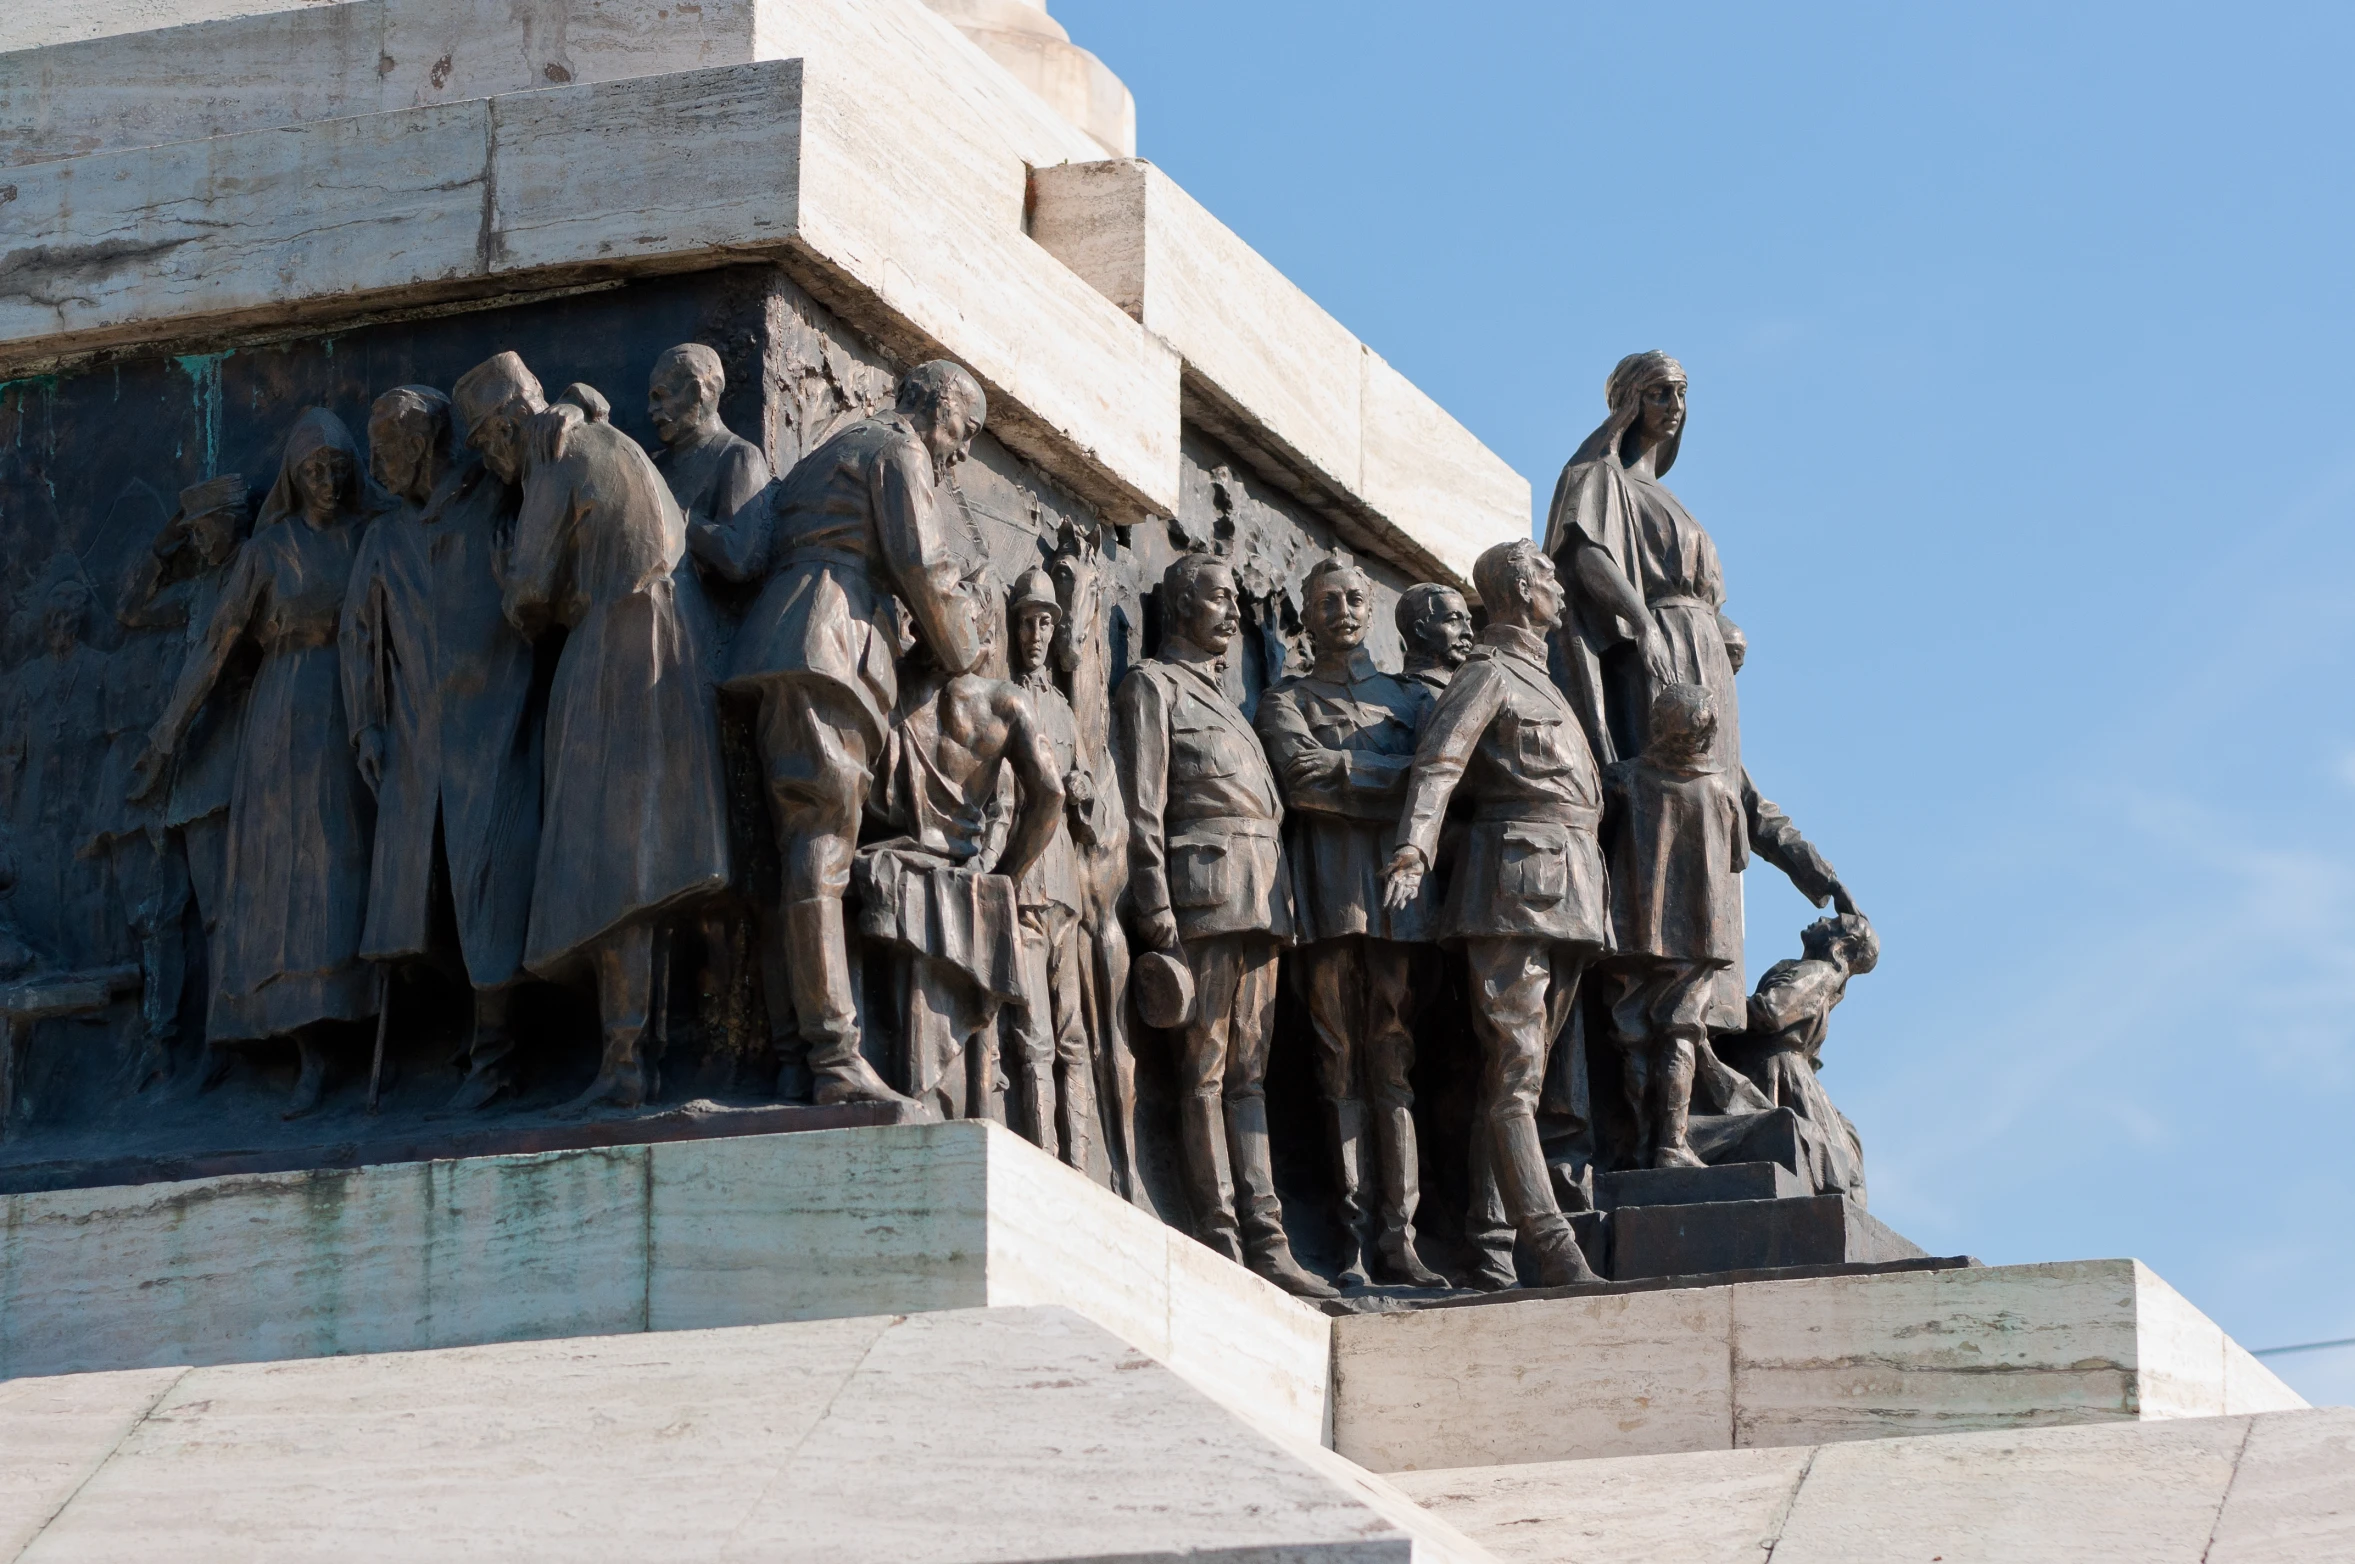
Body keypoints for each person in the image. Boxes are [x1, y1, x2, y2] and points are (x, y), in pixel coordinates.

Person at [693, 361, 989, 1108]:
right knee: (821, 850)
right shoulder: (899, 450)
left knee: (797, 851)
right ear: (939, 404)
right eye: (966, 430)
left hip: (782, 641)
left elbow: (749, 551)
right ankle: (834, 1059)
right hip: (828, 647)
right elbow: (923, 563)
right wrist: (963, 650)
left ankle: (797, 1056)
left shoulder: (832, 446)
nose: (962, 451)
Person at [456, 351, 730, 1113]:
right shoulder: (611, 439)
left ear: (510, 422)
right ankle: (641, 1053)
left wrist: (507, 577)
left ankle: (623, 1061)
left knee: (612, 865)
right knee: (642, 861)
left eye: (484, 443)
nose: (487, 460)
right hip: (674, 648)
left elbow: (530, 594)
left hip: (615, 657)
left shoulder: (552, 456)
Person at [132, 410, 383, 1116]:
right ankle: (308, 1050)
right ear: (292, 480)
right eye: (312, 470)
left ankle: (373, 1032)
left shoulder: (371, 534)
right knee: (291, 884)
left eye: (336, 467)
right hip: (285, 717)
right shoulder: (266, 552)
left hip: (359, 709)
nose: (326, 480)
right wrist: (163, 741)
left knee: (353, 871)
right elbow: (213, 653)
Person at [1385, 539, 1607, 1289]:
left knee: (1522, 1080)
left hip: (1568, 891)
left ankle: (1491, 1245)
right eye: (1546, 574)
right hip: (1511, 887)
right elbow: (1440, 763)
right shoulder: (1487, 674)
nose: (1559, 586)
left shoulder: (1545, 681)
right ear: (1517, 589)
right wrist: (1413, 850)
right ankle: (1553, 1249)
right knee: (1514, 1073)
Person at [1117, 552, 1332, 1299]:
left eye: (1235, 601)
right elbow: (1142, 809)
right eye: (1217, 599)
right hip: (1200, 899)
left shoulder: (1233, 707)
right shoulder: (1153, 686)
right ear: (1181, 606)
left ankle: (1268, 1237)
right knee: (1204, 1074)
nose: (1233, 613)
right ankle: (1219, 1231)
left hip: (1257, 905)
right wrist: (1156, 912)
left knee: (1247, 1078)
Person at [342, 385, 543, 1110]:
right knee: (423, 898)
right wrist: (367, 721)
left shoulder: (492, 498)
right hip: (415, 741)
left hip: (496, 722)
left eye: (388, 447)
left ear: (425, 443)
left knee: (491, 882)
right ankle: (458, 1037)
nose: (376, 463)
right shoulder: (384, 537)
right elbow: (360, 634)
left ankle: (498, 1055)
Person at [1255, 553, 1446, 1288]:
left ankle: (1399, 1238)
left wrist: (1351, 773)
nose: (1341, 608)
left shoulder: (1411, 700)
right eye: (1326, 599)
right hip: (1330, 902)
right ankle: (1352, 1242)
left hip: (1401, 909)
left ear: (1370, 610)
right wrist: (1400, 781)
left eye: (1353, 598)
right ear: (1307, 615)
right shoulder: (1286, 701)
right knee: (1339, 1065)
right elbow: (1303, 783)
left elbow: (1443, 783)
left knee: (1392, 1064)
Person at [853, 575, 1064, 1120]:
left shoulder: (889, 686)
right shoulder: (1006, 702)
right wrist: (1006, 878)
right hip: (969, 882)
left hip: (897, 868)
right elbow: (1051, 795)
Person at [650, 342, 775, 1070]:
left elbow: (745, 555)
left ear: (701, 392)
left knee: (726, 865)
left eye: (663, 396)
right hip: (652, 684)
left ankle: (734, 1044)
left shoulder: (737, 461)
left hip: (714, 683)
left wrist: (677, 527)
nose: (653, 410)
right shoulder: (659, 469)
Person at [1541, 352, 1741, 774]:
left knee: (1718, 787)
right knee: (1670, 777)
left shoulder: (1668, 497)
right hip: (1655, 643)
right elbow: (1587, 555)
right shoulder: (1600, 474)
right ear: (1630, 402)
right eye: (1659, 393)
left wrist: (1724, 629)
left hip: (1706, 653)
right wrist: (1644, 625)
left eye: (1681, 394)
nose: (1674, 405)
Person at [115, 477, 251, 1080]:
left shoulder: (252, 571)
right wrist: (162, 543)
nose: (198, 540)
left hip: (232, 758)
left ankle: (228, 1042)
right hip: (186, 774)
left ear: (232, 521)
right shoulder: (198, 590)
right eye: (192, 532)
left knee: (224, 908)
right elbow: (132, 610)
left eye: (204, 527)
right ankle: (176, 1040)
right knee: (175, 911)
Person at [1003, 564, 1100, 1172]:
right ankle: (1042, 1154)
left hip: (1066, 885)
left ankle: (1080, 1163)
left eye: (1046, 622)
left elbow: (1087, 780)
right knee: (1035, 1031)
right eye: (1028, 622)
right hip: (1024, 879)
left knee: (1074, 1034)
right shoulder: (1005, 700)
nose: (1037, 634)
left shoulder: (1062, 710)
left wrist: (1082, 785)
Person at [1727, 912, 1877, 1202]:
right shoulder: (1822, 974)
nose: (1822, 918)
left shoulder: (1818, 973)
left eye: (1834, 923)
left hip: (1771, 1071)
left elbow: (1772, 1012)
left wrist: (1718, 1006)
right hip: (1778, 1066)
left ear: (1839, 943)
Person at [1396, 582, 1475, 695]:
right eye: (1453, 620)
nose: (1469, 632)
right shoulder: (1399, 693)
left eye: (1468, 621)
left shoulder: (1466, 690)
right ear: (1421, 629)